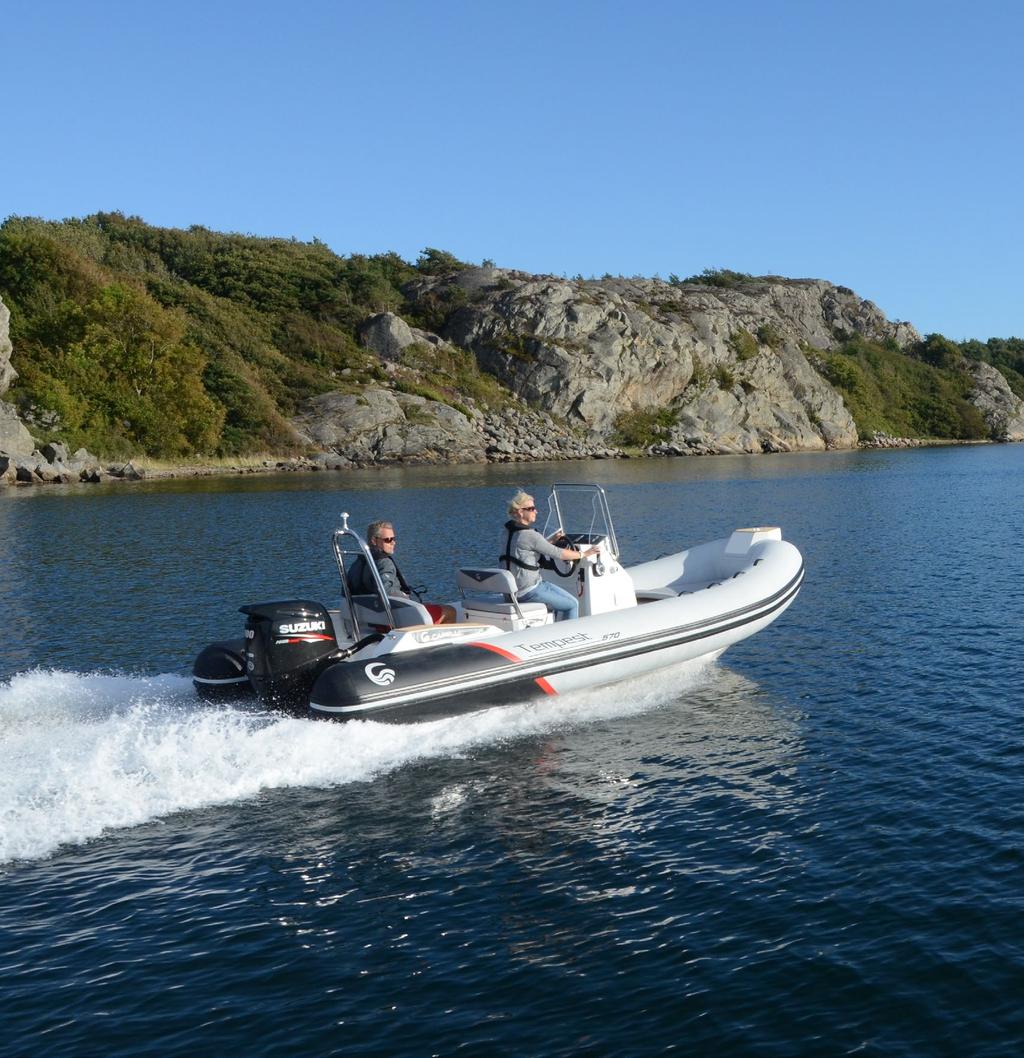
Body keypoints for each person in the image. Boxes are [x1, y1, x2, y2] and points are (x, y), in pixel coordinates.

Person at [499, 489, 595, 622]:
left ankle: (554, 629)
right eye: (531, 508)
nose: (536, 511)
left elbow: (529, 548)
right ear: (521, 512)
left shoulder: (508, 531)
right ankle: (566, 637)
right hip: (528, 591)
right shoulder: (531, 535)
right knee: (572, 605)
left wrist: (551, 541)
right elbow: (558, 554)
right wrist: (584, 554)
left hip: (512, 592)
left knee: (558, 601)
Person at [352, 520, 456, 625]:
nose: (393, 542)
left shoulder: (360, 562)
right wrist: (404, 596)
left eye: (394, 539)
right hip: (393, 620)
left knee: (427, 606)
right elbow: (385, 591)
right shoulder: (384, 563)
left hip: (373, 619)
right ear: (374, 541)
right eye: (388, 540)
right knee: (450, 611)